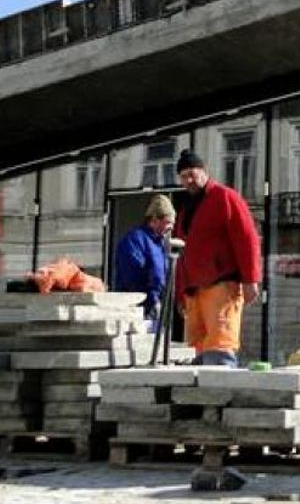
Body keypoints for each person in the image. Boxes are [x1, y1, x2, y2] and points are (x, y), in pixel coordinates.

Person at [171, 150, 261, 367]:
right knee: (196, 346)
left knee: (220, 343)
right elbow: (182, 254)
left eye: (192, 174)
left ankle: (219, 384)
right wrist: (181, 293)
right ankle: (199, 387)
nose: (188, 180)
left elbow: (247, 238)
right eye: (183, 176)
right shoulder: (187, 207)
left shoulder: (224, 197)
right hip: (194, 289)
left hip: (221, 283)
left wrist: (250, 279)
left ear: (204, 172)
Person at [112, 194, 174, 329]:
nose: (171, 227)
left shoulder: (159, 244)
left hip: (152, 308)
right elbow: (133, 277)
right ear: (155, 219)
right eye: (168, 222)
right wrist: (152, 299)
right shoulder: (135, 240)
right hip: (137, 309)